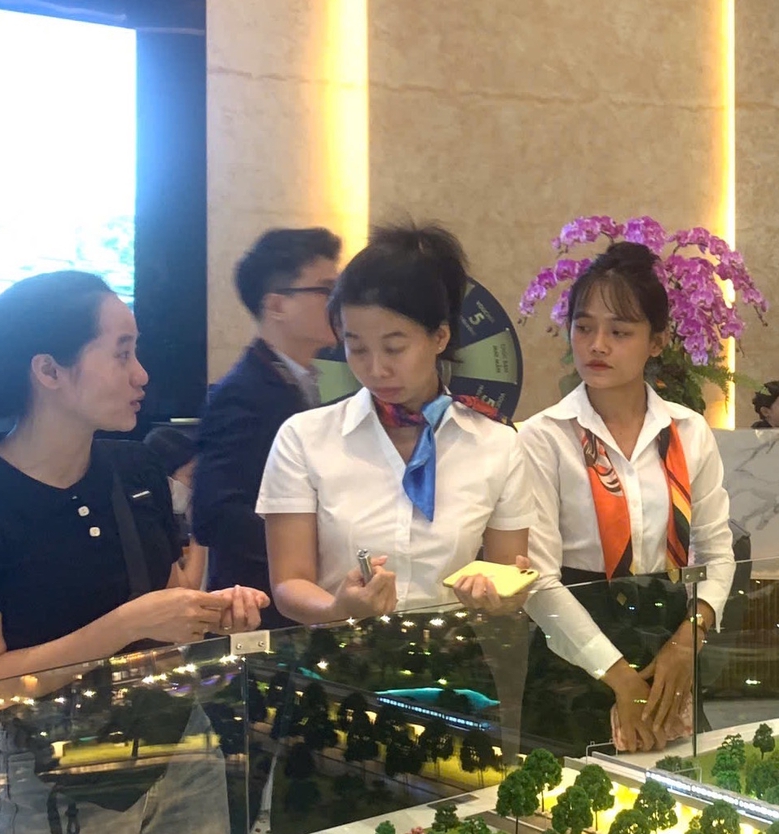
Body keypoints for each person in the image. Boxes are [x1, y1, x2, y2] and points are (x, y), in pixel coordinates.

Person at [0, 271, 269, 834]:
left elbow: (165, 607)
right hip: (60, 781)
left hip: (182, 752)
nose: (142, 374)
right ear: (49, 370)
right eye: (121, 352)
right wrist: (125, 623)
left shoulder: (134, 469)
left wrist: (213, 612)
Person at [259, 222, 535, 626]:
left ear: (440, 337)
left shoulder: (496, 444)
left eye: (394, 347)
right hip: (341, 652)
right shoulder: (304, 438)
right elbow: (289, 582)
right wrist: (339, 609)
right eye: (357, 348)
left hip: (453, 655)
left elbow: (508, 574)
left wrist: (502, 596)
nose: (376, 369)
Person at [518, 242, 734, 755]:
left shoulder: (688, 431)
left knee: (678, 794)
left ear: (657, 342)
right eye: (584, 327)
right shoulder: (543, 437)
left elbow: (717, 552)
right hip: (574, 654)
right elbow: (537, 579)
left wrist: (687, 642)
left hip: (669, 653)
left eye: (619, 332)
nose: (597, 345)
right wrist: (620, 678)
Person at [191, 227, 341, 626]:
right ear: (276, 305)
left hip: (301, 605)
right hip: (259, 615)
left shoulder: (303, 381)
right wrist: (302, 545)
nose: (339, 303)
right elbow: (214, 513)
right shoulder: (241, 392)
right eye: (326, 290)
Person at [143, 425, 206, 583]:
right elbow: (187, 588)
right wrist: (200, 531)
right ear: (166, 481)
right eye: (191, 477)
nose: (196, 486)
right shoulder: (148, 523)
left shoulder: (171, 521)